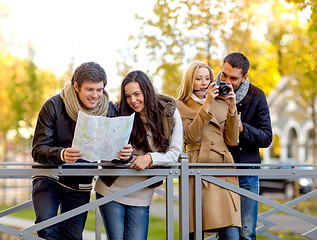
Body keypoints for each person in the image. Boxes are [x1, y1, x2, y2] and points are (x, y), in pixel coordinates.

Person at [31, 62, 133, 240]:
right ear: (76, 86)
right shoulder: (53, 105)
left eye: (99, 90)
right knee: (46, 227)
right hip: (49, 177)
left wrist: (125, 156)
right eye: (90, 90)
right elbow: (38, 149)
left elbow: (113, 153)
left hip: (80, 181)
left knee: (73, 236)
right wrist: (62, 154)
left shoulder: (109, 110)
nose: (95, 96)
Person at [94, 70, 183, 240]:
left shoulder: (169, 113)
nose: (133, 101)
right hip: (110, 188)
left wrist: (150, 158)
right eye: (128, 96)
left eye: (137, 94)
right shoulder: (118, 111)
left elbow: (175, 152)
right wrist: (118, 154)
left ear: (147, 91)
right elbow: (103, 150)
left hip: (141, 194)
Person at [177, 61, 241, 239]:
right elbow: (190, 136)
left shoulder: (222, 103)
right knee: (195, 230)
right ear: (190, 81)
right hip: (196, 171)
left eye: (207, 78)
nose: (204, 82)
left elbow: (231, 139)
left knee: (231, 233)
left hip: (222, 170)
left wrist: (232, 108)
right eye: (198, 79)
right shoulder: (180, 105)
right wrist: (207, 104)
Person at [215, 52, 272, 240]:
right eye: (224, 75)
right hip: (219, 170)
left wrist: (241, 128)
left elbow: (266, 138)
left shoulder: (257, 96)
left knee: (246, 233)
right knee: (223, 232)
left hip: (247, 171)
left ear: (244, 77)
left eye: (233, 78)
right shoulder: (210, 92)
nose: (226, 81)